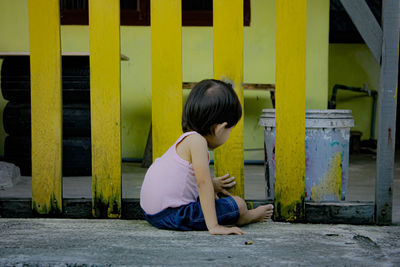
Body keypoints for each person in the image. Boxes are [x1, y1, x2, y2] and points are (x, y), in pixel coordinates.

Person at [140, 79, 274, 235]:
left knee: (213, 198)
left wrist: (212, 184)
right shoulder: (198, 142)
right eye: (229, 130)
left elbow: (182, 180)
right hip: (172, 215)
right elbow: (202, 183)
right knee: (238, 204)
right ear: (220, 128)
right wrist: (214, 226)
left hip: (150, 212)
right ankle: (247, 216)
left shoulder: (186, 139)